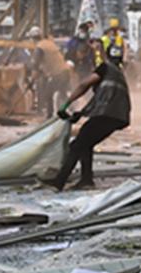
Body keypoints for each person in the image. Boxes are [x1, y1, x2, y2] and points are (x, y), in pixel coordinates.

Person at [54, 47, 132, 190]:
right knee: (86, 142)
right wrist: (81, 113)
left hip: (107, 115)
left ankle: (58, 182)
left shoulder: (105, 68)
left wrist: (66, 104)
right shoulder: (118, 74)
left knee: (77, 145)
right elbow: (102, 98)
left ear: (105, 56)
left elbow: (85, 85)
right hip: (117, 117)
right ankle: (86, 180)